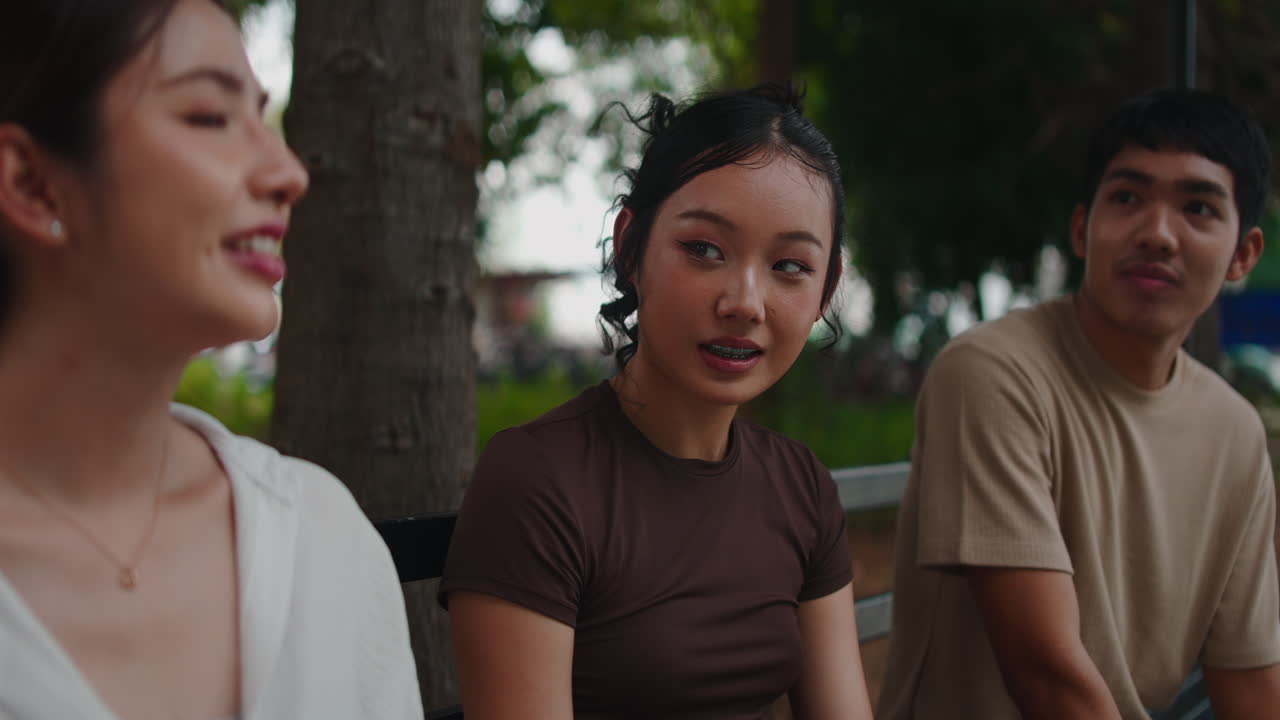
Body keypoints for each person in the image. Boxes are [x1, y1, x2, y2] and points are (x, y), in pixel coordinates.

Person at [0, 1, 421, 718]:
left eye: (263, 118)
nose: (289, 173)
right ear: (32, 184)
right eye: (209, 117)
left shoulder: (320, 537)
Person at [440, 84, 874, 719]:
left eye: (789, 266)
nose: (745, 303)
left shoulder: (801, 486)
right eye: (704, 250)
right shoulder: (539, 484)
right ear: (629, 246)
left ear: (826, 290)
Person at [877, 88, 1280, 719]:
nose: (1158, 234)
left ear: (1243, 255)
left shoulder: (1235, 431)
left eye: (1198, 208)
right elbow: (1048, 679)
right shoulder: (993, 373)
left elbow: (1250, 682)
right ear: (1081, 230)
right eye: (1127, 198)